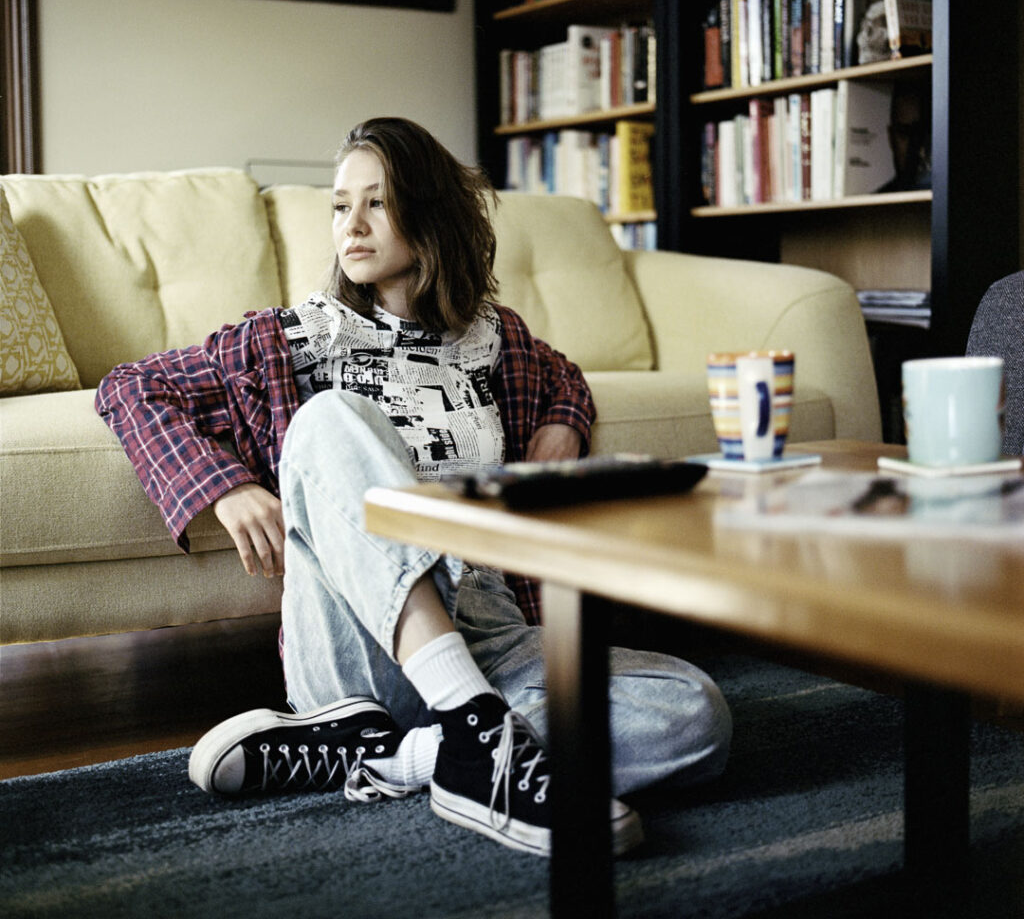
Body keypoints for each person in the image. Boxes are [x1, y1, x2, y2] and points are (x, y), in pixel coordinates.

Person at [96, 117, 731, 857]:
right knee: (331, 417)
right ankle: (471, 731)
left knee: (696, 714)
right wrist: (226, 487)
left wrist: (563, 419)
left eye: (379, 202)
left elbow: (564, 376)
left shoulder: (496, 340)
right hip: (359, 645)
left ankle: (416, 755)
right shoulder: (296, 338)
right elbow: (132, 388)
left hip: (491, 629)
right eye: (341, 205)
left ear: (430, 213)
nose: (352, 225)